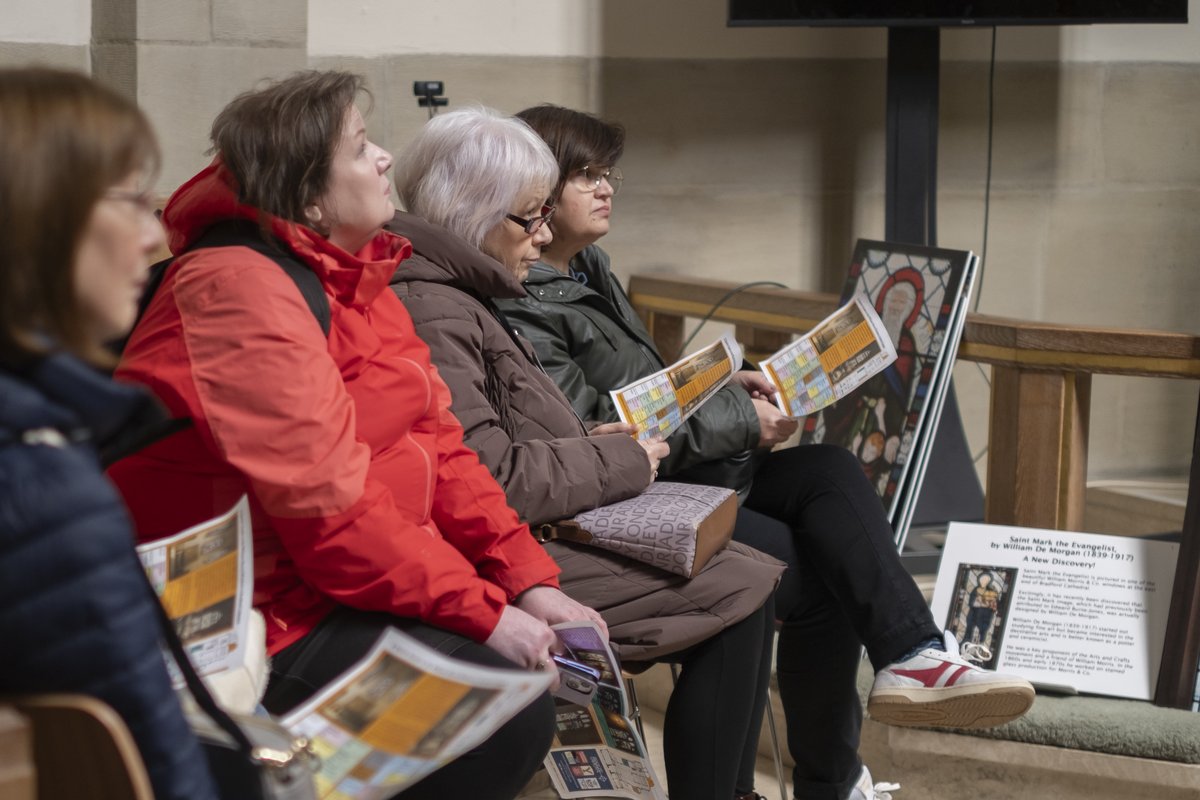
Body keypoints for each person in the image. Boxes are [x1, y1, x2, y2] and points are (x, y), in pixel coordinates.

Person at [501, 104, 1037, 800]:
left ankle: (913, 654)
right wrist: (737, 420)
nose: (606, 188)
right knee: (814, 572)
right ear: (538, 190)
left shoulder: (588, 269)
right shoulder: (521, 296)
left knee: (830, 472)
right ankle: (830, 780)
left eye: (610, 174)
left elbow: (642, 393)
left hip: (682, 470)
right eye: (586, 175)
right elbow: (593, 424)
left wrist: (728, 385)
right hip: (626, 497)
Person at [107, 71, 582, 800]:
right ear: (309, 198)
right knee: (498, 711)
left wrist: (525, 578)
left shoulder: (356, 272)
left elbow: (441, 443)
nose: (385, 157)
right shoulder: (236, 287)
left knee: (534, 671)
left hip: (332, 585)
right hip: (249, 614)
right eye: (360, 148)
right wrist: (487, 614)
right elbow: (328, 513)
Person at [387, 107, 784, 800]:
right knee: (742, 584)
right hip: (489, 552)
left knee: (770, 547)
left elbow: (507, 434)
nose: (542, 235)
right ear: (476, 212)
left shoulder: (464, 290)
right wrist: (623, 462)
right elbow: (489, 477)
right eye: (530, 218)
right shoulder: (436, 305)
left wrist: (593, 443)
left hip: (529, 525)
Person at [0, 67, 220, 800]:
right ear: (41, 219)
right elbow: (142, 759)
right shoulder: (39, 479)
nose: (155, 234)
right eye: (132, 201)